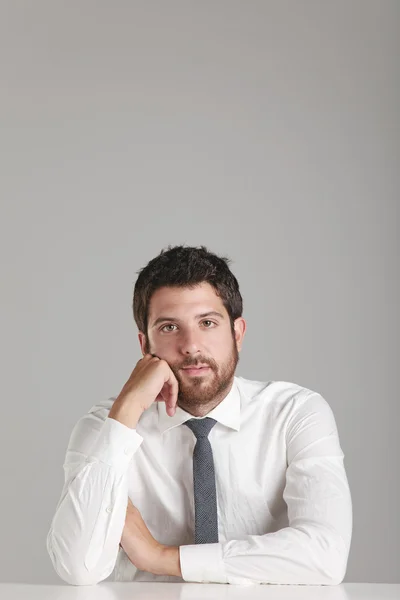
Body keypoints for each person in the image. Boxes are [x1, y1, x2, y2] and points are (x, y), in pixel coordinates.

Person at [46, 244, 353, 586]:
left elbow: (326, 554)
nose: (191, 345)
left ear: (237, 333)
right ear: (144, 346)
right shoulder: (108, 426)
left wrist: (161, 557)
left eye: (207, 323)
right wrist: (127, 409)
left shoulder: (295, 414)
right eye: (168, 328)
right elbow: (78, 567)